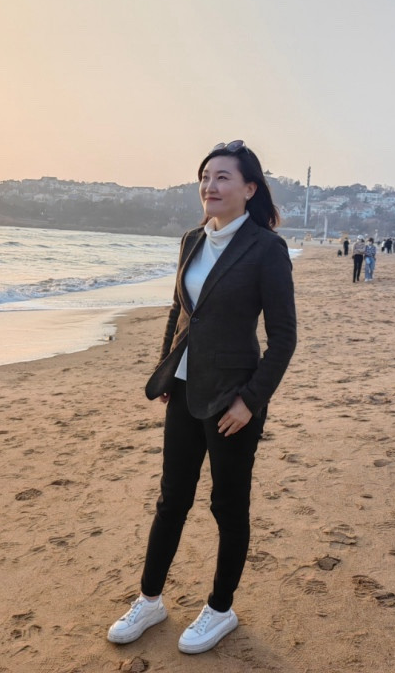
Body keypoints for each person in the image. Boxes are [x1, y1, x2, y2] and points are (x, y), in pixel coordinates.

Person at [107, 140, 297, 655]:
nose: (209, 186)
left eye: (222, 178)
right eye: (205, 177)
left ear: (249, 189)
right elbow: (179, 311)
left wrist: (250, 401)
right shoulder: (192, 239)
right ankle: (149, 600)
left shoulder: (266, 249)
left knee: (227, 505)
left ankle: (220, 608)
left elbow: (283, 338)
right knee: (172, 498)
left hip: (233, 400)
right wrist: (167, 370)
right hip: (186, 391)